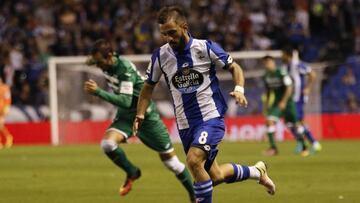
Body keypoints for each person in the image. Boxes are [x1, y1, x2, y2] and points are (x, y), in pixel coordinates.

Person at [133, 6, 275, 203]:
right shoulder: (160, 56)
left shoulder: (204, 47)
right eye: (164, 34)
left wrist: (240, 89)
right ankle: (257, 171)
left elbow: (234, 67)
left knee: (193, 160)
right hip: (185, 125)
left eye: (172, 32)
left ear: (184, 26)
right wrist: (140, 114)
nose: (168, 38)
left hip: (210, 118)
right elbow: (148, 87)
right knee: (214, 176)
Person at [84, 39, 195, 202]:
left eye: (99, 62)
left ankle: (195, 197)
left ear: (108, 57)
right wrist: (91, 60)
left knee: (172, 163)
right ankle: (132, 172)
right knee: (107, 144)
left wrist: (98, 92)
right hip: (126, 117)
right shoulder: (107, 61)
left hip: (145, 116)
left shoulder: (124, 69)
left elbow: (126, 101)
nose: (98, 66)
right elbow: (94, 60)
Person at [261, 55, 309, 156]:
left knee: (295, 125)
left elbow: (289, 87)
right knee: (269, 121)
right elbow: (268, 91)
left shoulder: (281, 73)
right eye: (265, 63)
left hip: (288, 103)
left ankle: (304, 147)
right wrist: (266, 104)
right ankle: (273, 148)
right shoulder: (266, 76)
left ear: (273, 63)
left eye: (269, 62)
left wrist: (284, 101)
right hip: (276, 104)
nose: (267, 65)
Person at [282, 48, 322, 152]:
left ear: (287, 54)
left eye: (283, 54)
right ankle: (311, 143)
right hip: (292, 99)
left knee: (296, 121)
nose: (282, 57)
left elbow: (312, 74)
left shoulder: (297, 65)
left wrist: (308, 87)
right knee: (295, 122)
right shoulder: (287, 67)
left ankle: (307, 144)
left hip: (298, 98)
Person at [0, 77, 12, 149]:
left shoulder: (5, 88)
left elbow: (8, 99)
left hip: (2, 109)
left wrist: (7, 108)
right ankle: (8, 137)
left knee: (0, 124)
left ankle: (8, 137)